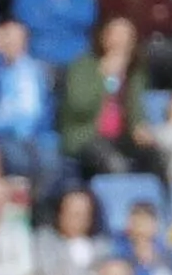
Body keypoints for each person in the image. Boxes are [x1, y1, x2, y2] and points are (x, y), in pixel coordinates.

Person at [59, 16, 159, 177]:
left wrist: (140, 127)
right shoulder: (83, 67)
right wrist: (104, 76)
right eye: (117, 35)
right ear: (104, 38)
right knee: (114, 164)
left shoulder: (134, 73)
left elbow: (137, 110)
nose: (121, 42)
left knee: (153, 156)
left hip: (122, 137)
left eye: (127, 37)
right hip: (89, 137)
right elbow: (78, 105)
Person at [0, 20, 55, 188]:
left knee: (50, 162)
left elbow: (45, 106)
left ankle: (38, 208)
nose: (12, 43)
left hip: (37, 134)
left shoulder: (37, 70)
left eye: (17, 38)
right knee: (19, 161)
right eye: (7, 38)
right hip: (2, 134)